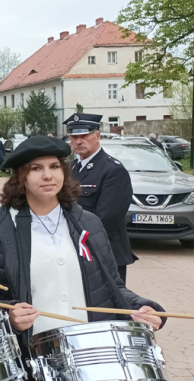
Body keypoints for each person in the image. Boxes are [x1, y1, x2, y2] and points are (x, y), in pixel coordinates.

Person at [0, 136, 166, 381]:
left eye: (54, 166)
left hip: (86, 363)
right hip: (29, 362)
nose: (47, 175)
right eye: (36, 168)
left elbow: (113, 286)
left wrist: (142, 308)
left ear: (65, 172)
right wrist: (7, 315)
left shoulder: (87, 222)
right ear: (20, 178)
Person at [66, 113, 136, 283]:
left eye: (84, 135)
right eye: (74, 137)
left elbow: (107, 219)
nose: (78, 141)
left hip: (103, 252)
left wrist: (76, 244)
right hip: (77, 250)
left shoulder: (112, 170)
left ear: (97, 136)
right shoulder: (73, 168)